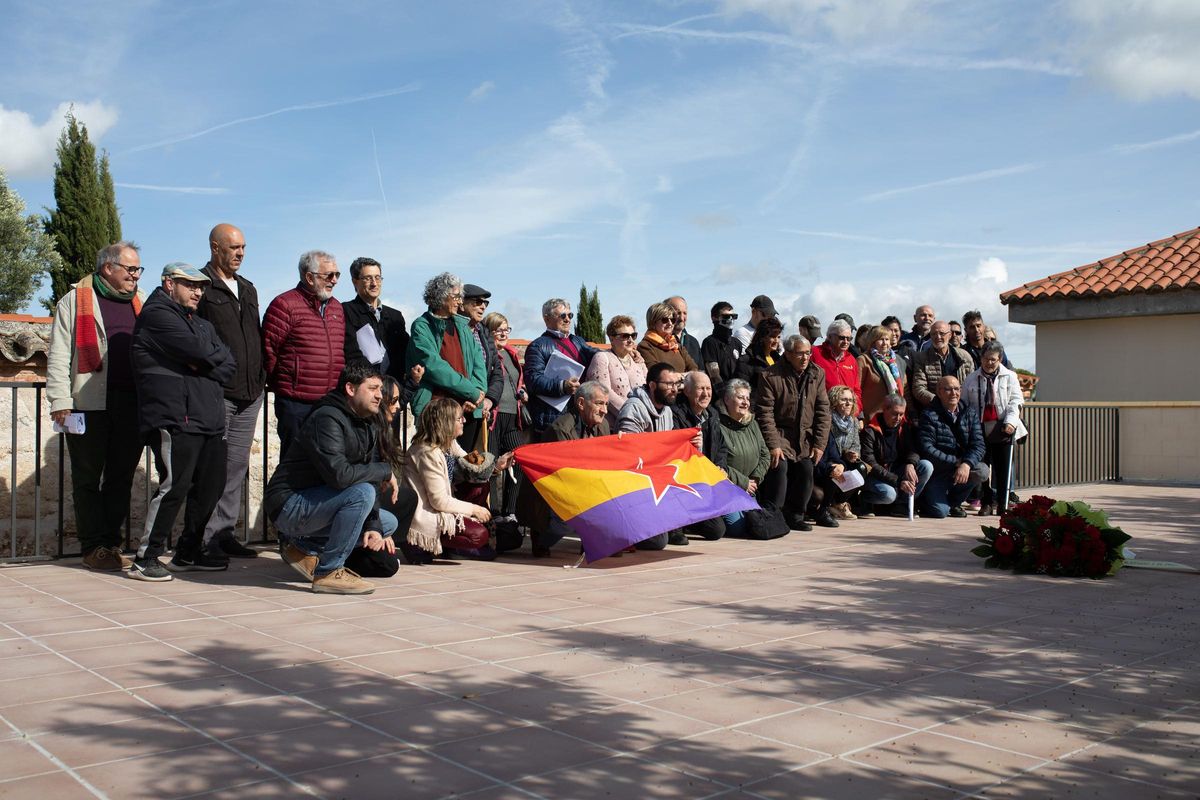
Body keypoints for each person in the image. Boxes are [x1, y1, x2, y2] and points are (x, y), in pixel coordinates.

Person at [129, 264, 236, 581]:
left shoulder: (201, 323)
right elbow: (201, 351)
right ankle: (145, 557)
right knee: (174, 485)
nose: (198, 292)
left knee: (211, 487)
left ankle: (188, 552)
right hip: (175, 416)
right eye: (190, 285)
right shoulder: (156, 315)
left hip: (209, 418)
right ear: (168, 283)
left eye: (201, 287)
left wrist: (202, 361)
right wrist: (204, 357)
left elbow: (227, 364)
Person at [47, 241, 147, 571]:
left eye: (137, 269)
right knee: (87, 477)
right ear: (108, 268)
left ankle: (109, 543)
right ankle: (92, 546)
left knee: (120, 476)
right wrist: (60, 401)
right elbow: (60, 354)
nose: (135, 275)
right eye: (130, 269)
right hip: (86, 403)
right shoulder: (75, 301)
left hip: (131, 403)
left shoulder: (141, 302)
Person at [266, 364, 400, 594]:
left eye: (380, 389)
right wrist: (385, 470)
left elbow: (368, 477)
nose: (380, 395)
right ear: (350, 388)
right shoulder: (326, 419)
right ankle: (328, 571)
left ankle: (303, 547)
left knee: (387, 523)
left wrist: (373, 526)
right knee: (362, 494)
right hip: (290, 505)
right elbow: (341, 476)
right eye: (373, 388)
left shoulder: (365, 422)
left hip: (320, 504)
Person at [196, 223, 265, 560]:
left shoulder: (249, 289)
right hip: (218, 391)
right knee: (212, 467)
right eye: (233, 247)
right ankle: (203, 538)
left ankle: (224, 533)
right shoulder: (200, 286)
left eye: (243, 247)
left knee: (236, 467)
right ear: (215, 247)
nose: (240, 253)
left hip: (250, 393)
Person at [515, 381, 620, 556]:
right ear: (580, 403)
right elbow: (566, 477)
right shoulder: (560, 429)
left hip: (586, 485)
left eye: (606, 404)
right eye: (599, 403)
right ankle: (540, 535)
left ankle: (593, 539)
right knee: (562, 523)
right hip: (553, 493)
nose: (605, 411)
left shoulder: (603, 425)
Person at [262, 250, 346, 456]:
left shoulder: (336, 307)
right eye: (329, 275)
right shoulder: (284, 304)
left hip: (329, 401)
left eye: (337, 275)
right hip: (296, 403)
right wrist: (286, 384)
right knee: (294, 462)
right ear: (309, 277)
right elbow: (268, 350)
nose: (334, 280)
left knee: (326, 462)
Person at [403, 397, 499, 563]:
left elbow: (473, 464)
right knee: (479, 535)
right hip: (428, 514)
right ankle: (431, 545)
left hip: (442, 507)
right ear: (445, 422)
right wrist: (474, 509)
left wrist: (498, 466)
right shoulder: (426, 452)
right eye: (459, 418)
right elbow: (438, 501)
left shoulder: (449, 443)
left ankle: (450, 543)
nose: (464, 420)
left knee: (480, 485)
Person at [756, 335, 831, 531]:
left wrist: (819, 444)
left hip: (804, 437)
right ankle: (774, 513)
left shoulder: (817, 374)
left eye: (808, 353)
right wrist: (773, 444)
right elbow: (765, 413)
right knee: (779, 467)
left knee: (806, 469)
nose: (805, 358)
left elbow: (823, 411)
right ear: (788, 354)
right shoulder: (770, 376)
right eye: (800, 353)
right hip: (780, 433)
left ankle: (796, 514)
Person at [405, 272, 488, 449]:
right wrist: (471, 392)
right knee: (438, 466)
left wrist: (478, 394)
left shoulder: (462, 326)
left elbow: (478, 362)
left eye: (460, 297)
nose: (460, 301)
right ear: (441, 297)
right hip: (438, 409)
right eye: (456, 296)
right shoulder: (422, 326)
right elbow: (434, 366)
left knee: (465, 467)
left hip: (468, 409)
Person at [617, 363, 691, 547]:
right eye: (669, 384)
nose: (674, 389)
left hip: (659, 477)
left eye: (677, 384)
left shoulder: (667, 410)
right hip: (637, 484)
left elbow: (669, 450)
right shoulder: (633, 408)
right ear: (652, 385)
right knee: (658, 542)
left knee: (715, 529)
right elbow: (628, 455)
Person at [963, 341, 1027, 516]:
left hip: (1002, 426)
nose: (989, 363)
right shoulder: (971, 378)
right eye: (986, 359)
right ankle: (986, 502)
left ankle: (1002, 502)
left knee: (1002, 467)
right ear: (981, 358)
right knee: (983, 466)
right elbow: (965, 404)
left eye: (993, 359)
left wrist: (1011, 421)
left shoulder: (1010, 376)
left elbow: (1016, 400)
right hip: (980, 427)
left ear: (999, 359)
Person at [918, 375, 989, 518]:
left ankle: (954, 503)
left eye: (956, 389)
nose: (953, 393)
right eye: (948, 389)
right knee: (940, 513)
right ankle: (929, 501)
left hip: (961, 468)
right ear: (939, 392)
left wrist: (966, 464)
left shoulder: (969, 412)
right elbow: (926, 447)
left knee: (982, 470)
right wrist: (955, 462)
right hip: (939, 471)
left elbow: (979, 444)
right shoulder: (929, 414)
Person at [524, 297, 598, 434]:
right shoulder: (537, 346)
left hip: (579, 414)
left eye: (570, 315)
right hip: (554, 417)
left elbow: (596, 353)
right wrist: (562, 386)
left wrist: (620, 352)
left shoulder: (577, 341)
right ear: (547, 319)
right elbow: (533, 380)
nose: (568, 319)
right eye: (562, 315)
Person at [482, 312, 528, 526]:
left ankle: (510, 511)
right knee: (490, 464)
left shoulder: (511, 354)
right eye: (498, 329)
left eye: (506, 329)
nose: (503, 333)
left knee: (519, 458)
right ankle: (493, 512)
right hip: (493, 417)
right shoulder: (486, 354)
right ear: (488, 332)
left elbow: (517, 381)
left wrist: (523, 392)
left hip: (512, 416)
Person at [672, 371, 728, 541]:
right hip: (682, 484)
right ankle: (676, 526)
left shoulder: (712, 415)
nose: (706, 393)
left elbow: (722, 448)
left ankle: (691, 522)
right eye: (700, 389)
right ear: (687, 391)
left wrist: (721, 468)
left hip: (704, 484)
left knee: (716, 531)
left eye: (708, 388)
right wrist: (693, 447)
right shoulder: (676, 414)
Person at [860, 393, 933, 516]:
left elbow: (913, 450)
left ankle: (901, 505)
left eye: (901, 414)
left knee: (926, 466)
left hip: (896, 470)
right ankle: (864, 500)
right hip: (876, 475)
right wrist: (898, 482)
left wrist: (910, 463)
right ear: (884, 409)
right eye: (895, 413)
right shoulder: (870, 431)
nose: (898, 418)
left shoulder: (904, 427)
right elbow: (871, 464)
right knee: (888, 495)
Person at [716, 379, 772, 538]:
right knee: (737, 529)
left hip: (749, 489)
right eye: (740, 398)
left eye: (747, 398)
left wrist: (754, 479)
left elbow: (765, 454)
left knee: (757, 524)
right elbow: (718, 463)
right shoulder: (718, 424)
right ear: (727, 400)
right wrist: (743, 482)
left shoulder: (752, 423)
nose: (745, 402)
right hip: (727, 489)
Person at [342, 256, 409, 381]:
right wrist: (375, 381)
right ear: (355, 281)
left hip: (395, 387)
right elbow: (351, 352)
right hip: (364, 384)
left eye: (377, 278)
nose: (374, 283)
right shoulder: (345, 311)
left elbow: (404, 353)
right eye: (368, 278)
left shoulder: (395, 316)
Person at [809, 385, 866, 527]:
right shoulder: (826, 420)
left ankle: (839, 503)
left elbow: (856, 444)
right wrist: (837, 463)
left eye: (851, 400)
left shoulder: (853, 421)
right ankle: (826, 506)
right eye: (844, 400)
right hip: (825, 462)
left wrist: (851, 454)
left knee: (861, 468)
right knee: (828, 475)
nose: (848, 403)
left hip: (841, 460)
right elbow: (828, 447)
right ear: (834, 401)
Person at [583, 314, 647, 429]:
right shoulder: (602, 358)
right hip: (613, 427)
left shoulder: (638, 360)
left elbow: (648, 390)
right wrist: (632, 416)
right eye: (625, 336)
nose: (630, 340)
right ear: (611, 338)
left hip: (642, 424)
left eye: (633, 335)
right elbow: (605, 393)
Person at [910, 321, 974, 412]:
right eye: (934, 334)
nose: (938, 337)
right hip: (934, 410)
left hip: (962, 409)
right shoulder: (922, 358)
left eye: (942, 333)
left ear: (950, 335)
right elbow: (919, 388)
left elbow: (971, 385)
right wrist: (940, 402)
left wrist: (957, 402)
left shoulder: (964, 357)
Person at [811, 319, 863, 416]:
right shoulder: (815, 353)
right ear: (830, 337)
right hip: (821, 414)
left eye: (849, 338)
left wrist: (856, 412)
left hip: (846, 417)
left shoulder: (851, 359)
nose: (846, 342)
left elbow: (856, 390)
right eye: (842, 338)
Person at [859, 324, 906, 419]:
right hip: (873, 418)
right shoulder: (863, 360)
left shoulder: (898, 360)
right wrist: (860, 417)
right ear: (873, 342)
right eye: (880, 339)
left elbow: (906, 388)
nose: (885, 343)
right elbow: (856, 390)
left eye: (887, 339)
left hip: (896, 417)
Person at [638, 302, 699, 374]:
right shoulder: (645, 346)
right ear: (653, 322)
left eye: (672, 320)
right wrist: (684, 377)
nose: (670, 323)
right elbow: (656, 373)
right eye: (665, 320)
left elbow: (694, 369)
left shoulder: (676, 345)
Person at [734, 316, 783, 397]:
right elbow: (740, 392)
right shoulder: (746, 361)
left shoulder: (779, 361)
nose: (776, 341)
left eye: (778, 337)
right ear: (762, 337)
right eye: (772, 336)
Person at [700, 301, 742, 387]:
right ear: (714, 318)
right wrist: (725, 396)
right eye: (726, 316)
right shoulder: (709, 342)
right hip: (721, 396)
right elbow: (714, 376)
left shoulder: (737, 343)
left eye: (734, 316)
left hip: (737, 393)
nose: (730, 320)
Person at [665, 295, 702, 367]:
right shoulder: (659, 341)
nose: (682, 318)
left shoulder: (694, 342)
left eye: (684, 313)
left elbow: (701, 370)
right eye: (678, 313)